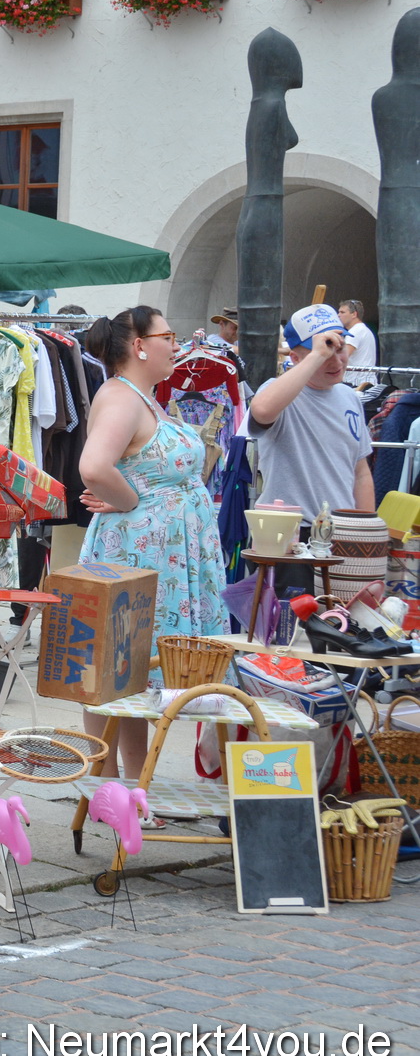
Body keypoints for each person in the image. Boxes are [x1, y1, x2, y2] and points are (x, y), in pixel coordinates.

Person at [77, 306, 230, 784]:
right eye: (169, 335)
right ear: (140, 345)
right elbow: (94, 467)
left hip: (157, 552)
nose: (177, 344)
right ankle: (105, 787)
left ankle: (132, 783)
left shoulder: (142, 398)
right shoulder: (122, 399)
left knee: (135, 671)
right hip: (138, 553)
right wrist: (128, 501)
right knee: (119, 667)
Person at [248, 304, 374, 518]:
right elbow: (262, 410)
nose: (335, 360)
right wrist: (317, 356)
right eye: (326, 351)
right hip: (289, 528)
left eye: (339, 348)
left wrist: (365, 528)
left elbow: (360, 472)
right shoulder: (279, 392)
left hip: (341, 529)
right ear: (296, 359)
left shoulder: (350, 397)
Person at [339, 299, 377, 371]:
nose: (338, 315)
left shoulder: (355, 331)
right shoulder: (362, 329)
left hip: (356, 380)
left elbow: (342, 357)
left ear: (354, 314)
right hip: (363, 378)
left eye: (342, 312)